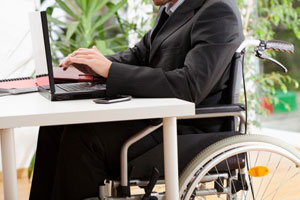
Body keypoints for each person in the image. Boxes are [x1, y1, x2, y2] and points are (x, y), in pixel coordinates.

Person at [29, 0, 244, 199]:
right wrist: (94, 65)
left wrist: (111, 70)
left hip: (186, 128)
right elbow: (139, 55)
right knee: (55, 126)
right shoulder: (170, 10)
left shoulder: (218, 11)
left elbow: (190, 86)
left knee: (85, 136)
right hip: (159, 120)